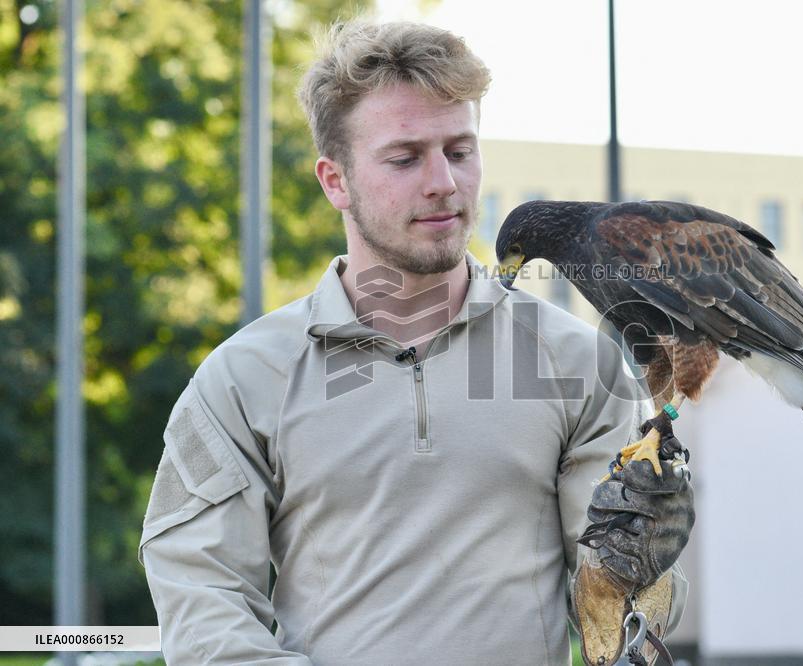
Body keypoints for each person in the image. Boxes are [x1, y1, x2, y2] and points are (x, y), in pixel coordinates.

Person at [140, 19, 693, 665]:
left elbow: (622, 615)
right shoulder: (242, 377)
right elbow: (201, 597)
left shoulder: (580, 364)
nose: (443, 183)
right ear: (334, 180)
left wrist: (641, 563)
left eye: (460, 151)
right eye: (405, 158)